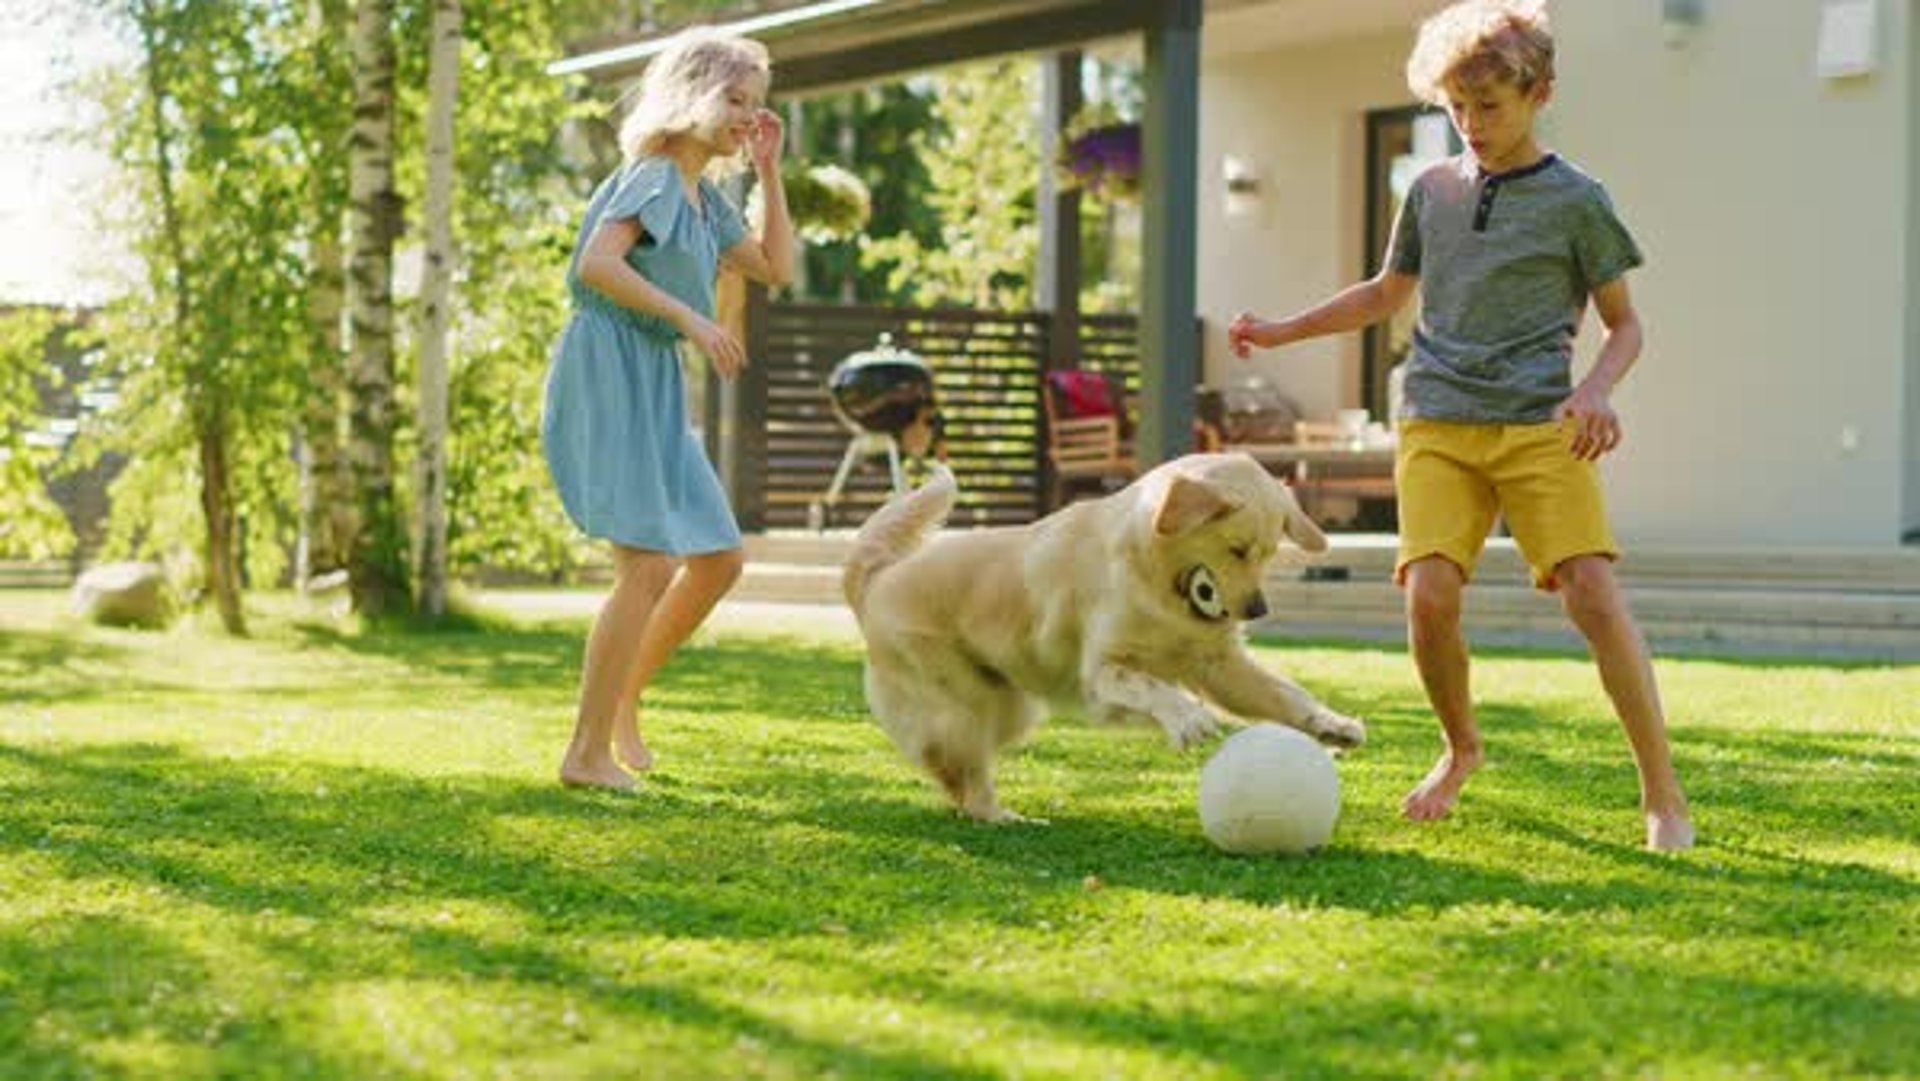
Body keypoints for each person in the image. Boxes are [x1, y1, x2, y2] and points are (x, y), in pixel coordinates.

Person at [1227, 0, 1693, 850]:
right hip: (1437, 420)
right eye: (1456, 108)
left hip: (1537, 426)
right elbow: (1384, 294)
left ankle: (1662, 792)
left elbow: (1625, 323)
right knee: (1430, 597)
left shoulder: (1579, 201)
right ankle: (1459, 748)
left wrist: (1595, 390)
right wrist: (1283, 329)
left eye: (1491, 106)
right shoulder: (1431, 191)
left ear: (1539, 92)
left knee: (1592, 594)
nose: (1471, 125)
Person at [544, 27, 795, 791]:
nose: (746, 116)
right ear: (690, 91)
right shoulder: (654, 175)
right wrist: (691, 318)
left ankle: (622, 699)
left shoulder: (705, 196)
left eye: (756, 104)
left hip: (651, 375)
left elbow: (775, 267)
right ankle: (586, 753)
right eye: (734, 98)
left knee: (718, 556)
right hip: (608, 368)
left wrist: (769, 175)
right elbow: (597, 264)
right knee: (648, 565)